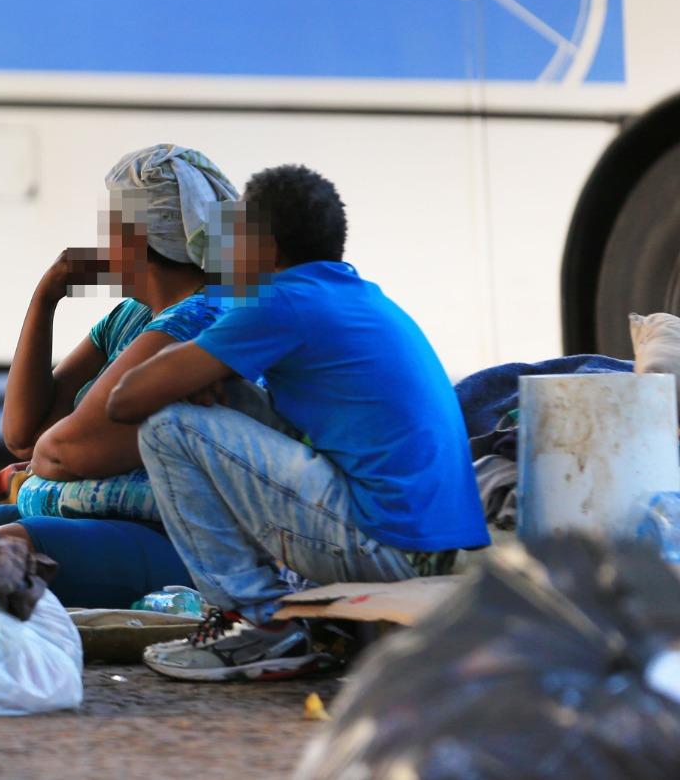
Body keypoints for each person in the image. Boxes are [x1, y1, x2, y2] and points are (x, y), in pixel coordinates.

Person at [105, 164, 490, 681]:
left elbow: (125, 401)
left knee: (168, 425)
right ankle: (274, 614)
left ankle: (256, 622)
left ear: (265, 247)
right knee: (223, 398)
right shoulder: (352, 293)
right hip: (436, 546)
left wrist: (184, 376)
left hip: (389, 546)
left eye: (234, 236)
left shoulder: (280, 300)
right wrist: (202, 377)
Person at [0, 144, 238, 608]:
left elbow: (59, 453)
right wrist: (47, 295)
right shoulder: (131, 316)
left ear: (133, 239)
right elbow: (23, 436)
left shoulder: (198, 318)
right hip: (109, 524)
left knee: (0, 548)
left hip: (183, 543)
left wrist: (51, 453)